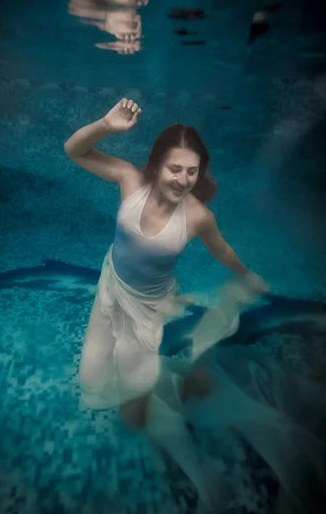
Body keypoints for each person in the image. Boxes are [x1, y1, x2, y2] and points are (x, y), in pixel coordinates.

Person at [64, 98, 270, 510]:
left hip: (149, 308)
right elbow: (75, 151)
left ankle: (182, 394)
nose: (182, 179)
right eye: (175, 168)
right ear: (157, 164)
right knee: (89, 380)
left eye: (192, 171)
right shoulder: (129, 180)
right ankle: (172, 383)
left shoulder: (197, 217)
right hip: (111, 287)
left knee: (134, 416)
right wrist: (106, 123)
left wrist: (245, 274)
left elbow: (221, 247)